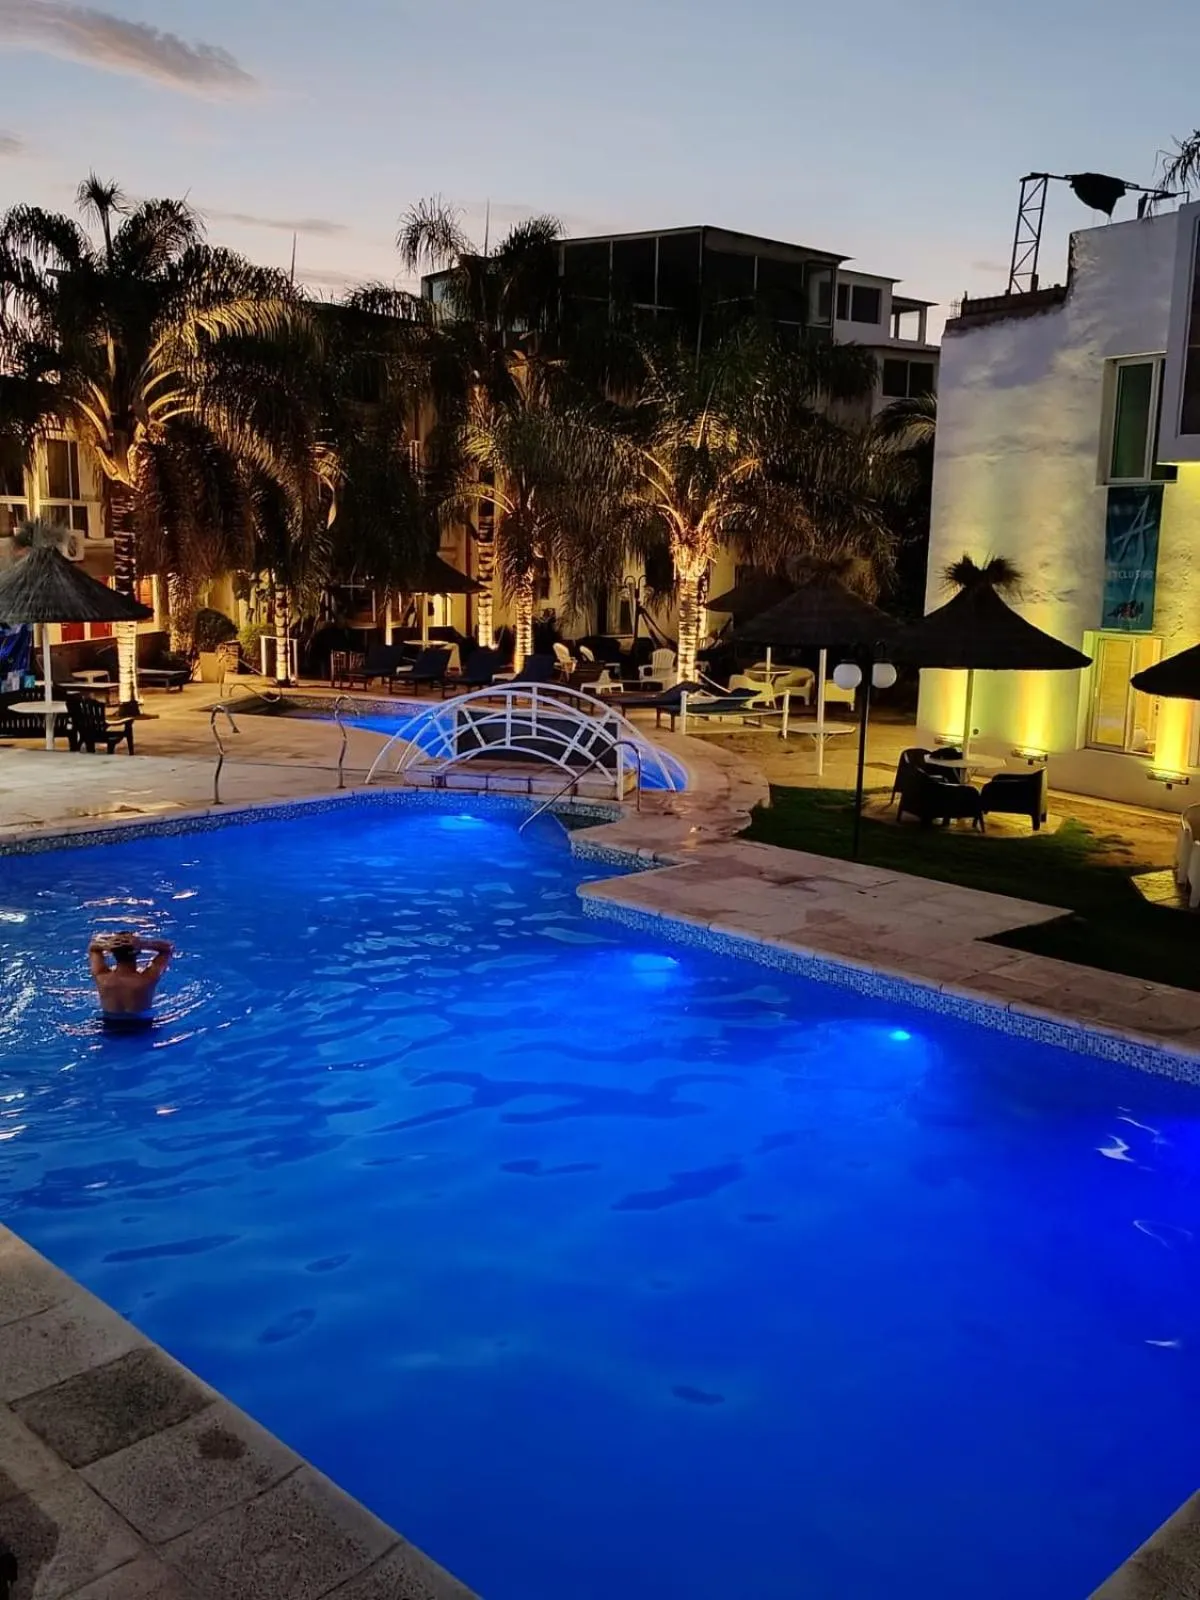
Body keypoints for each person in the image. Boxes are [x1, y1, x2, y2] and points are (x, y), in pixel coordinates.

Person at [88, 931, 174, 1029]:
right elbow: (168, 948)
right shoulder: (147, 979)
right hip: (143, 1025)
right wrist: (143, 944)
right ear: (138, 952)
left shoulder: (102, 977)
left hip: (109, 1025)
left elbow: (93, 948)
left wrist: (107, 945)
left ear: (113, 953)